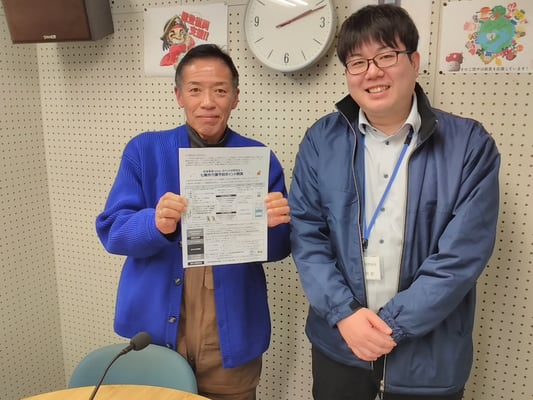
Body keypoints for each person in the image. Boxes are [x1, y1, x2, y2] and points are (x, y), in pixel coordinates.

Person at [288, 5, 500, 400]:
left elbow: (461, 257)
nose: (372, 72)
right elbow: (307, 234)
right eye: (357, 62)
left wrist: (392, 326)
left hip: (428, 359)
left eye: (386, 56)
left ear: (414, 62)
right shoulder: (321, 141)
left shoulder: (470, 146)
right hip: (340, 347)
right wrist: (345, 315)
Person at [96, 44, 291, 400]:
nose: (208, 102)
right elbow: (113, 232)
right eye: (195, 90)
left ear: (235, 97)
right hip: (154, 332)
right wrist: (154, 223)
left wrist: (275, 225)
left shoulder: (259, 159)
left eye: (220, 91)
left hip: (229, 334)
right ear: (179, 96)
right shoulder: (144, 150)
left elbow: (279, 249)